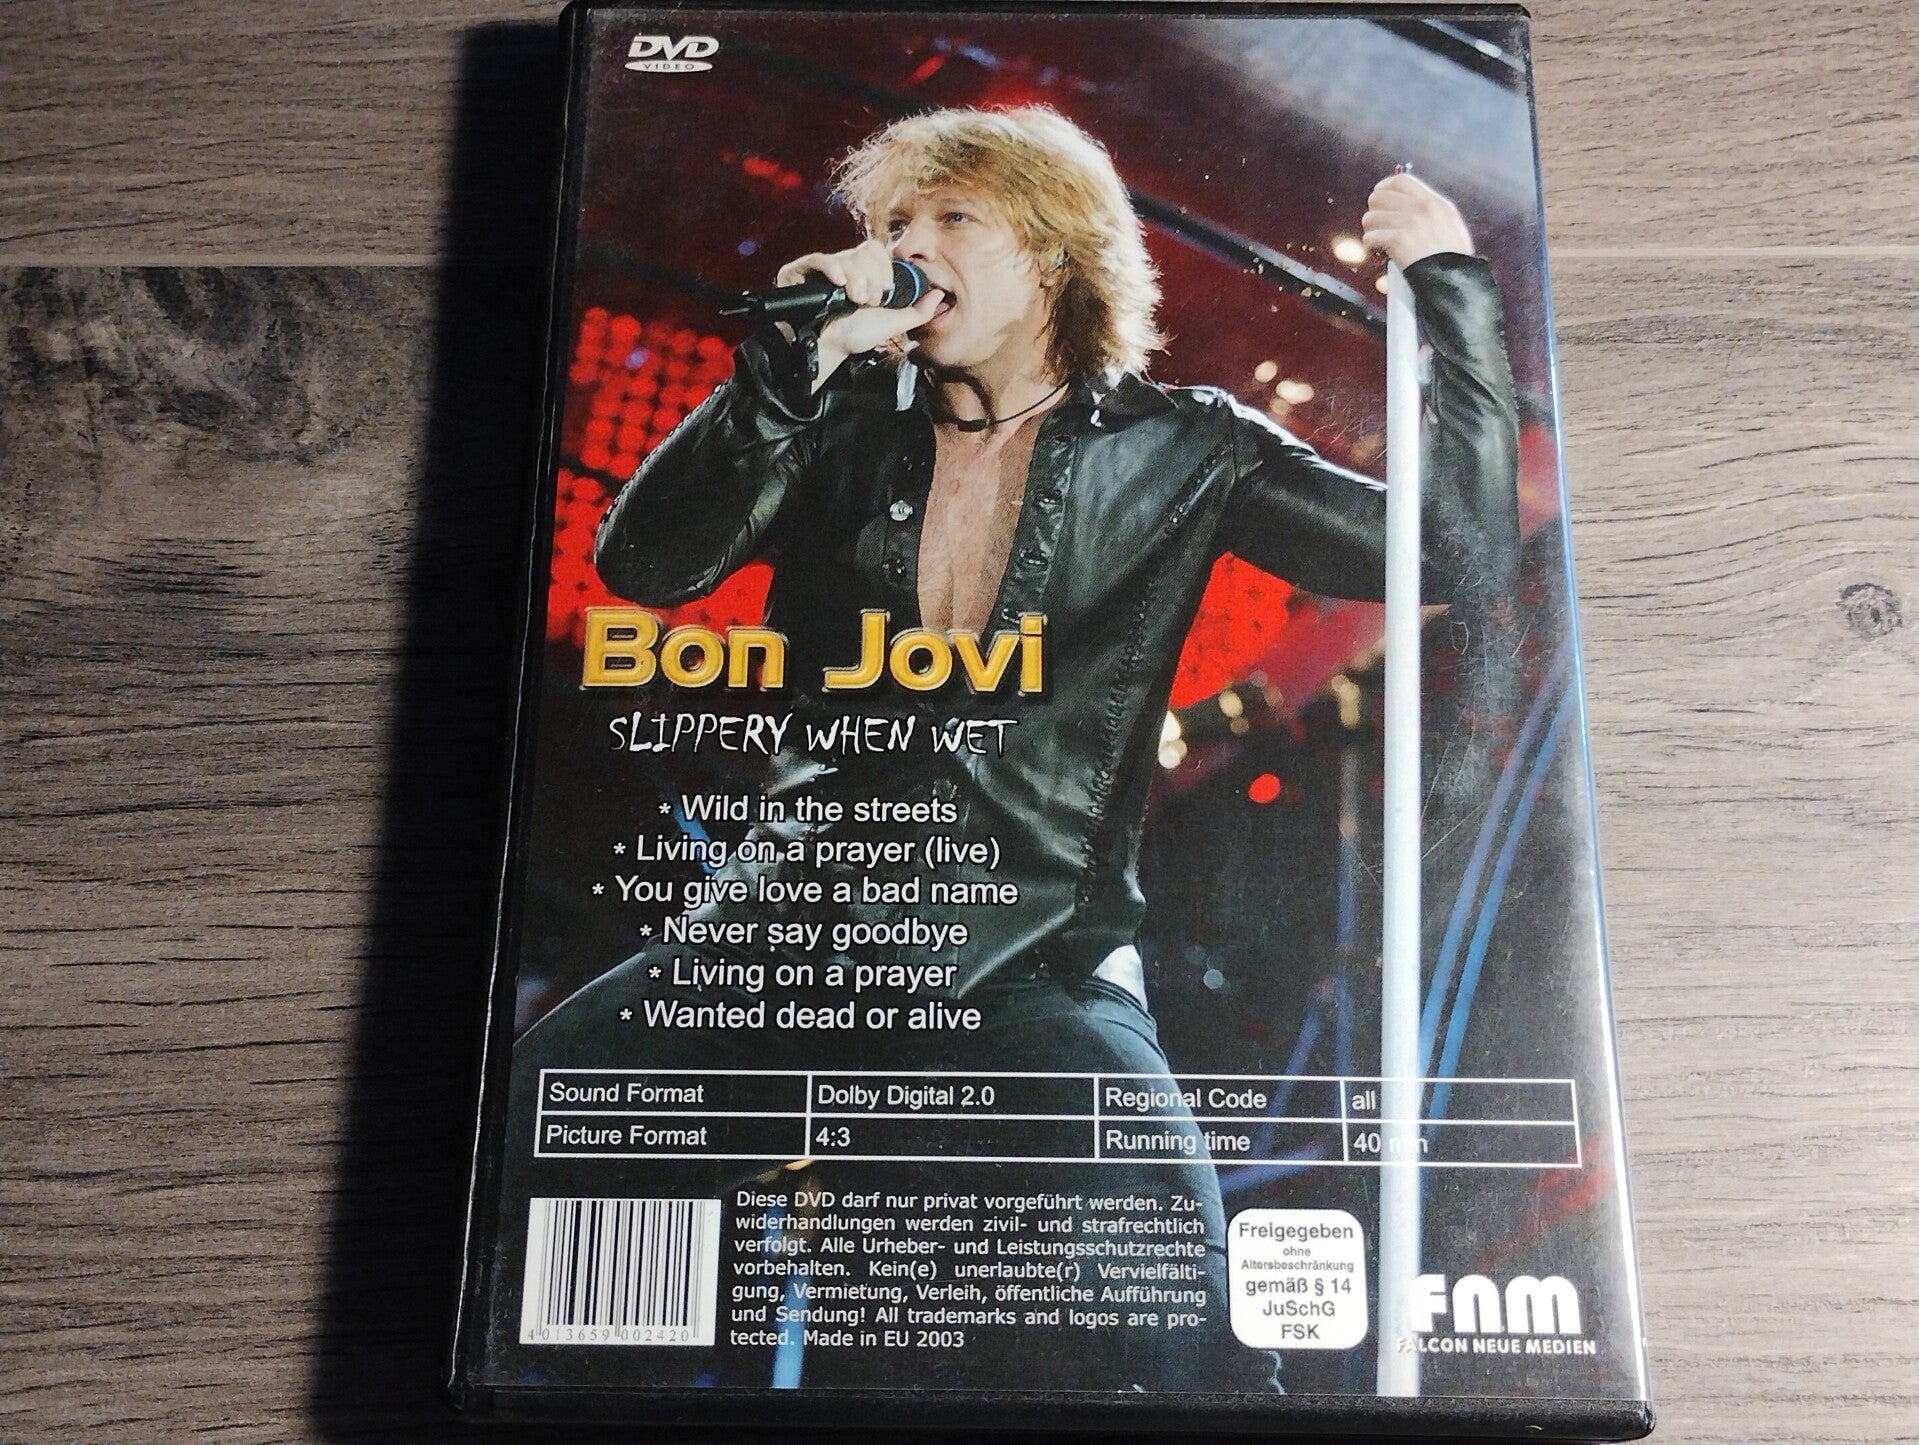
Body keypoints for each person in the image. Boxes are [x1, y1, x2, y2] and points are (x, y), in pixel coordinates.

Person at [505, 105, 1518, 1393]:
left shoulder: (1186, 447)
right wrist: (783, 372)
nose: (906, 247)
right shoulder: (830, 424)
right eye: (891, 224)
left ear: (1051, 255)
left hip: (1033, 963)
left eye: (951, 217)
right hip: (784, 945)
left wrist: (1448, 292)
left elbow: (1453, 549)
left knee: (1192, 1343)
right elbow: (648, 566)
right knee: (522, 1156)